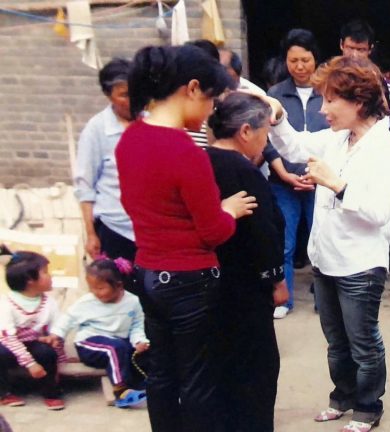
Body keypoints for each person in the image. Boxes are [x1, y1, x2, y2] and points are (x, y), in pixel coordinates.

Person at [116, 44, 256, 432]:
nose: (212, 111)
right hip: (189, 281)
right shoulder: (185, 151)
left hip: (147, 271)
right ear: (192, 89)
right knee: (198, 380)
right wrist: (228, 211)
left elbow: (133, 205)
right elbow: (213, 232)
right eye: (211, 99)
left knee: (160, 374)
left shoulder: (130, 138)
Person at [266, 55, 390, 432]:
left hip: (359, 264)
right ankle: (341, 396)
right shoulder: (338, 139)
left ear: (358, 102)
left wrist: (338, 185)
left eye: (330, 101)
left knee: (363, 343)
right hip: (326, 258)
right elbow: (295, 149)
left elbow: (379, 210)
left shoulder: (385, 149)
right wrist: (278, 118)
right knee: (335, 341)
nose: (323, 109)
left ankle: (368, 405)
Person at [205, 92, 289, 431]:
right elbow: (263, 232)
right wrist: (278, 280)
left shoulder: (201, 161)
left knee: (221, 365)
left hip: (208, 283)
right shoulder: (243, 170)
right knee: (258, 367)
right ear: (245, 131)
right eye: (265, 132)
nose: (265, 141)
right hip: (245, 285)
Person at [264, 28, 328, 319]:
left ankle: (324, 300)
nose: (300, 66)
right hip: (283, 182)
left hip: (322, 182)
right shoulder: (275, 95)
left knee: (322, 242)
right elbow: (267, 139)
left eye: (305, 59)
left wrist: (317, 175)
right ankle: (284, 299)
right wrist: (285, 174)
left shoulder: (328, 92)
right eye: (293, 60)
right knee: (285, 243)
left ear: (316, 58)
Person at [50, 257, 149, 409]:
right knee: (115, 348)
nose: (96, 293)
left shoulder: (133, 302)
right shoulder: (86, 302)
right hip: (89, 344)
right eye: (92, 288)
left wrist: (139, 341)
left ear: (119, 285)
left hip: (118, 345)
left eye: (101, 288)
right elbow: (68, 318)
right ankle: (121, 391)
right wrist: (57, 334)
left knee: (129, 349)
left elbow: (136, 326)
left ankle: (140, 384)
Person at [74, 58, 136, 262]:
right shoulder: (97, 130)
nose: (133, 100)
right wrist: (91, 234)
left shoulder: (151, 120)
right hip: (115, 228)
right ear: (109, 96)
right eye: (124, 95)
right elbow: (85, 186)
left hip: (151, 229)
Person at [0, 248, 66, 411]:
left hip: (32, 342)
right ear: (30, 280)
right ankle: (4, 393)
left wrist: (53, 337)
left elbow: (58, 327)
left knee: (47, 353)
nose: (51, 276)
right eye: (45, 272)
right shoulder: (7, 303)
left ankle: (51, 392)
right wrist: (30, 364)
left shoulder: (48, 302)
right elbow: (8, 338)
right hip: (8, 345)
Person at [339, 19, 390, 138]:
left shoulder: (389, 89)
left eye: (360, 49)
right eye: (350, 48)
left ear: (370, 49)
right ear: (341, 45)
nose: (354, 55)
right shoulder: (330, 83)